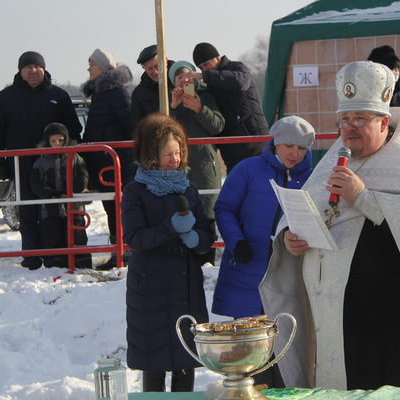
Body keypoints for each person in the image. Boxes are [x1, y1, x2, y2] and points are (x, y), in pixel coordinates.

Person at [259, 61, 400, 400]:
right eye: (344, 121)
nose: (350, 128)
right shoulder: (333, 160)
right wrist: (294, 241)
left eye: (360, 120)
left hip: (394, 320)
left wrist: (363, 198)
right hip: (339, 319)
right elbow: (306, 214)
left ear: (384, 121)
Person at [122, 114, 215, 393]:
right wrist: (170, 227)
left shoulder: (189, 188)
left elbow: (207, 238)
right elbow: (134, 238)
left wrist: (195, 238)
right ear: (151, 154)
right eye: (167, 154)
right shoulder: (135, 191)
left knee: (186, 357)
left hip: (185, 285)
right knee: (154, 360)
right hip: (150, 285)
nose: (174, 159)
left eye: (178, 152)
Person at [0, 51, 83, 270]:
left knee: (51, 211)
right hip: (21, 166)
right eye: (27, 67)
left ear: (44, 69)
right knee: (27, 212)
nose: (32, 71)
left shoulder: (58, 95)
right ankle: (31, 256)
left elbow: (74, 130)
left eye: (37, 67)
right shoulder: (6, 97)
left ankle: (53, 256)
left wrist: (72, 159)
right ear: (20, 71)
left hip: (53, 167)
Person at [213, 115, 314, 318]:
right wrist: (236, 242)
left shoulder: (313, 179)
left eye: (302, 148)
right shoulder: (248, 169)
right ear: (276, 143)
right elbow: (224, 208)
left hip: (290, 273)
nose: (295, 154)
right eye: (288, 145)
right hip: (246, 266)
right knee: (248, 343)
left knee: (286, 340)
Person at [81, 48, 134, 270]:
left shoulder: (117, 92)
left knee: (120, 208)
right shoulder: (101, 93)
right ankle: (117, 252)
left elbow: (131, 126)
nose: (88, 68)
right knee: (110, 208)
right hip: (103, 163)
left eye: (92, 64)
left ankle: (126, 252)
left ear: (103, 67)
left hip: (116, 163)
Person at [168, 60, 224, 265]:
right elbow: (159, 130)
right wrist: (173, 107)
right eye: (179, 78)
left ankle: (207, 262)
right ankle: (182, 263)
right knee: (180, 213)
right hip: (177, 167)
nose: (184, 81)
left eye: (187, 77)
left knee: (206, 214)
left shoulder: (206, 97)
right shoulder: (169, 102)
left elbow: (218, 126)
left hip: (204, 166)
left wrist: (200, 108)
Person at [185, 42, 267, 173]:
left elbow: (240, 82)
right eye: (201, 67)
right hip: (230, 151)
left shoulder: (237, 68)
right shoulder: (209, 84)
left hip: (254, 142)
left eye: (206, 64)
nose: (204, 69)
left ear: (217, 58)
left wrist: (204, 76)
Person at [30, 123, 92, 269]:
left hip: (74, 205)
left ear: (67, 139)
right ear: (47, 142)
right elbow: (35, 183)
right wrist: (50, 194)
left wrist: (70, 192)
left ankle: (82, 266)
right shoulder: (40, 161)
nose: (57, 143)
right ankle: (59, 267)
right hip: (51, 207)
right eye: (53, 141)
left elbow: (83, 177)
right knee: (54, 236)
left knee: (78, 235)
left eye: (61, 140)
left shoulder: (75, 158)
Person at [130, 44, 175, 131]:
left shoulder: (183, 81)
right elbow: (136, 125)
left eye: (157, 66)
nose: (155, 72)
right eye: (150, 69)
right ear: (144, 68)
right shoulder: (139, 93)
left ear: (165, 61)